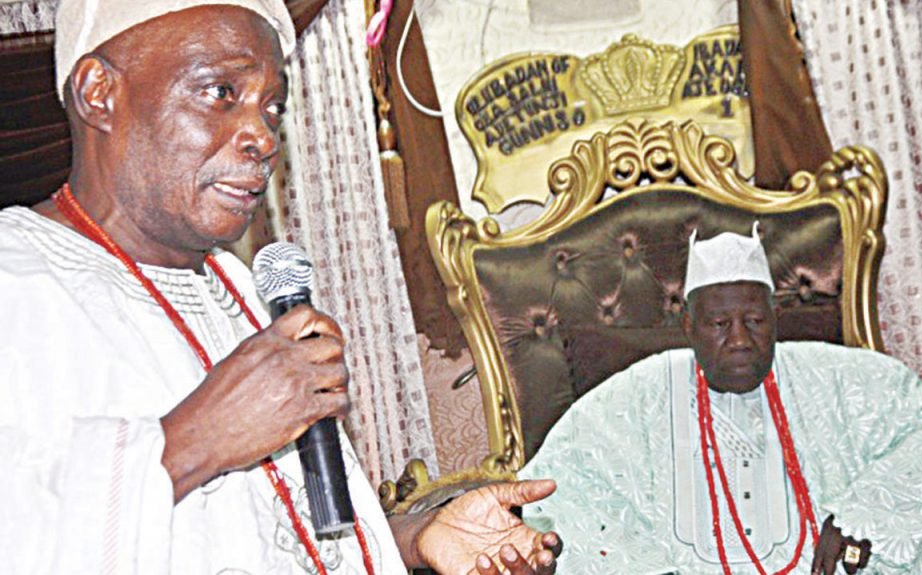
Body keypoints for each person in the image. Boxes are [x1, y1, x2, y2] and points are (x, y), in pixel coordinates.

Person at [0, 1, 560, 573]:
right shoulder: (15, 280)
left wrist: (416, 538)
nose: (263, 138)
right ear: (99, 92)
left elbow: (254, 538)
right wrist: (198, 439)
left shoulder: (235, 284)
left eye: (272, 108)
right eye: (220, 93)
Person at [518, 225, 922, 574]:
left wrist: (869, 514)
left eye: (755, 321)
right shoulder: (633, 398)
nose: (739, 339)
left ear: (775, 319)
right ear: (689, 326)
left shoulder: (842, 377)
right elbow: (557, 487)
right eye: (719, 324)